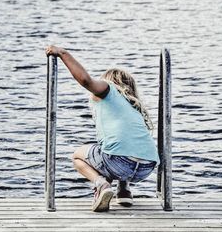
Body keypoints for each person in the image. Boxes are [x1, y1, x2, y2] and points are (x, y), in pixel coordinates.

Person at [45, 45, 160, 212]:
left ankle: (102, 185)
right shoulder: (133, 106)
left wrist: (63, 53)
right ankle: (124, 191)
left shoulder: (108, 90)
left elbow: (86, 81)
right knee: (116, 150)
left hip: (120, 162)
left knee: (78, 156)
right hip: (147, 167)